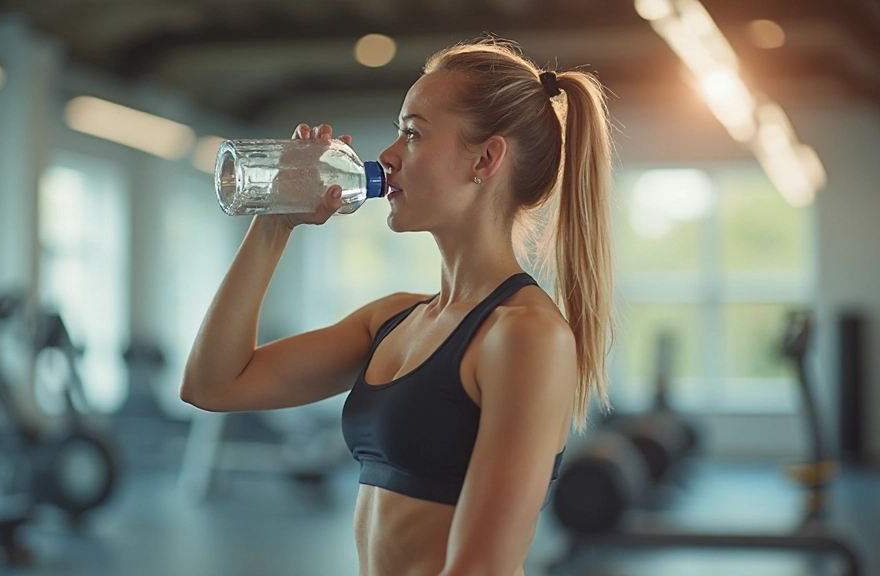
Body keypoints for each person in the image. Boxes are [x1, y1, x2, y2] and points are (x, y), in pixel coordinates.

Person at [181, 36, 614, 576]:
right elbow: (212, 385)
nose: (386, 156)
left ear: (485, 158)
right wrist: (275, 219)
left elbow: (480, 568)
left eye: (412, 133)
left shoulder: (526, 335)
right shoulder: (392, 321)